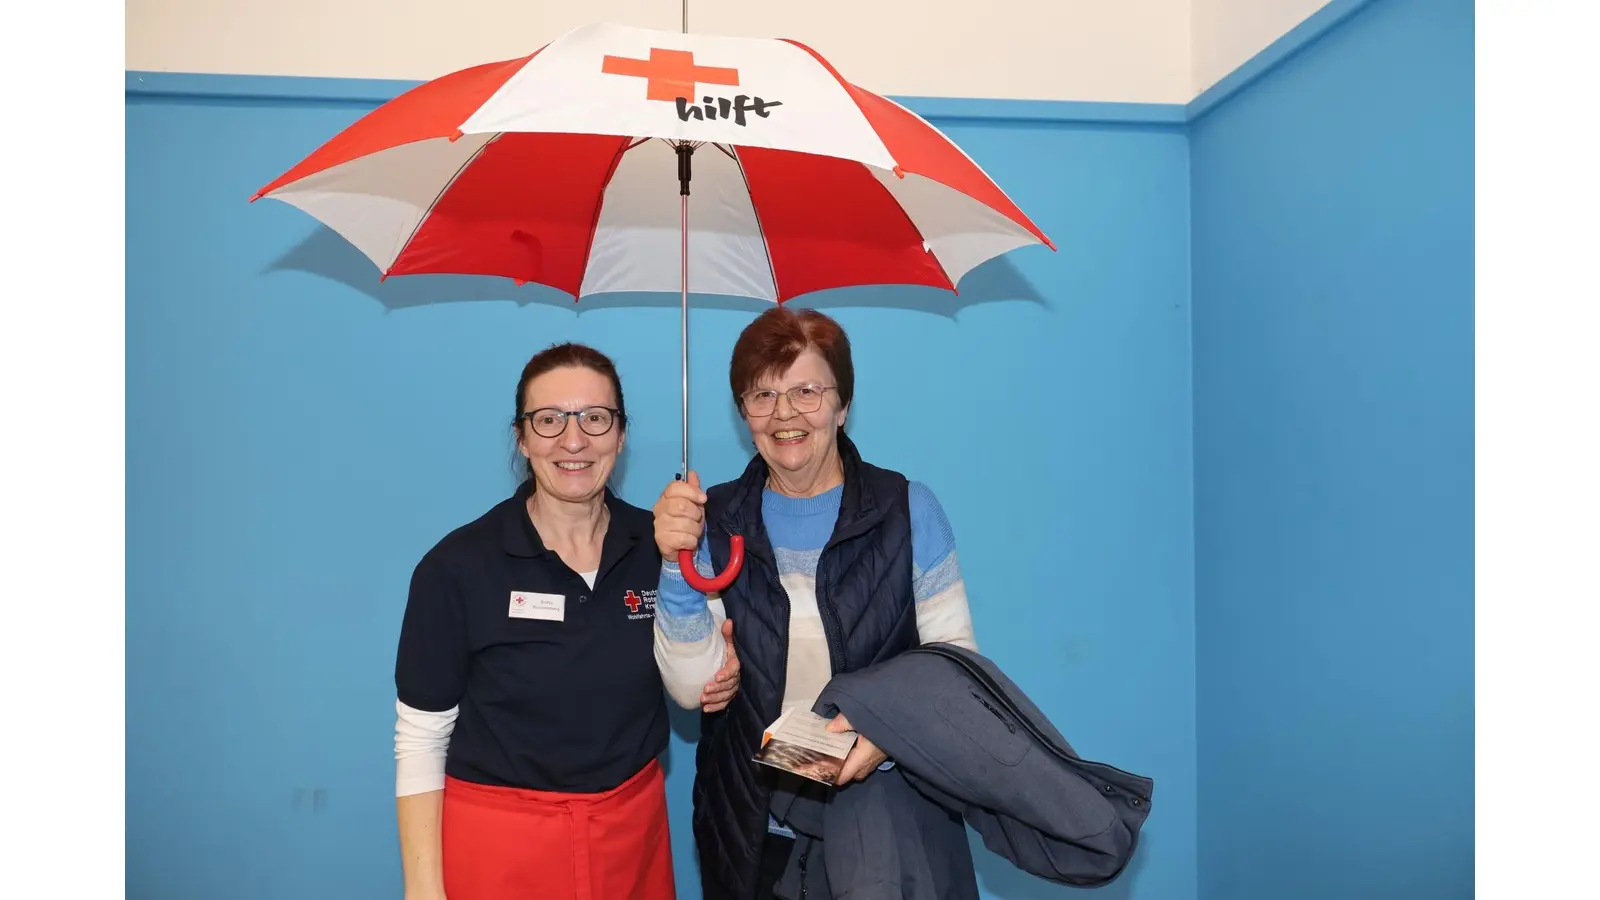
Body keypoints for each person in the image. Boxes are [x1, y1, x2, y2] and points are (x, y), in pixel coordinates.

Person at [391, 342, 742, 900]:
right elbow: (421, 740)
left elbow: (696, 685)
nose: (573, 440)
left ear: (621, 436)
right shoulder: (456, 567)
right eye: (549, 420)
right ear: (522, 437)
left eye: (595, 419)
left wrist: (719, 666)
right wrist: (423, 890)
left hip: (632, 840)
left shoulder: (661, 547)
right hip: (500, 846)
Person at [650, 308, 979, 900]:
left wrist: (885, 739)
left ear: (842, 404)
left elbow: (956, 671)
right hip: (753, 832)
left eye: (807, 390)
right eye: (763, 394)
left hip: (885, 820)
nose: (785, 414)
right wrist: (675, 563)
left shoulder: (908, 510)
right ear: (742, 411)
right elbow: (689, 687)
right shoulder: (711, 520)